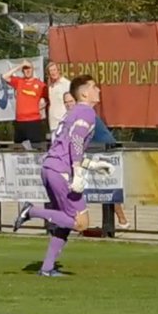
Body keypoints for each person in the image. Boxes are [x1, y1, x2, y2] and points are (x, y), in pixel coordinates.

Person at [12, 75, 115, 277]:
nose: (99, 90)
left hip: (51, 167)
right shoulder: (86, 112)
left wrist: (92, 165)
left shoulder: (73, 113)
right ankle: (31, 211)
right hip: (61, 171)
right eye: (95, 87)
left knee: (66, 221)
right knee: (81, 223)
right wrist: (77, 170)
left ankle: (47, 268)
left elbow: (66, 145)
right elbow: (76, 140)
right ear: (85, 93)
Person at [64, 91, 129, 229]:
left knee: (108, 187)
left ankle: (121, 219)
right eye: (66, 102)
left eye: (71, 101)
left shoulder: (84, 114)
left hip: (106, 150)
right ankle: (77, 220)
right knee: (79, 186)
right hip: (91, 151)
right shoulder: (72, 116)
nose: (69, 104)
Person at [2, 60, 48, 147]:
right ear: (22, 71)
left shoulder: (40, 84)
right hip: (20, 121)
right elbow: (4, 76)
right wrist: (20, 65)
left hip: (34, 121)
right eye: (25, 69)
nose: (27, 70)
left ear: (33, 69)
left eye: (29, 68)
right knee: (18, 148)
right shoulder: (19, 81)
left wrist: (42, 105)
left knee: (36, 147)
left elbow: (47, 98)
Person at [46, 62, 72, 132]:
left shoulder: (67, 84)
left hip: (64, 121)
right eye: (50, 71)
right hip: (53, 123)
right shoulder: (50, 86)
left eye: (54, 70)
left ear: (58, 70)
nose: (53, 72)